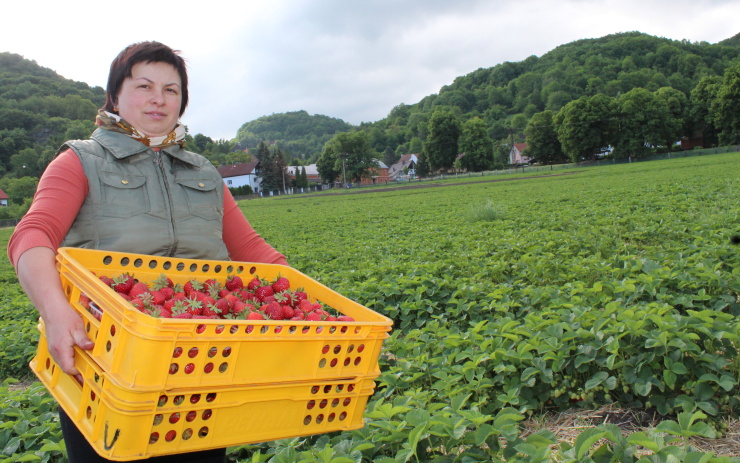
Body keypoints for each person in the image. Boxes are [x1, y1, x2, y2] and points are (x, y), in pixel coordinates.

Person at [7, 41, 287, 463]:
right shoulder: (80, 161)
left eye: (172, 90)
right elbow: (32, 236)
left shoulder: (204, 173)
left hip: (200, 359)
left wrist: (317, 303)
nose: (159, 98)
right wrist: (55, 310)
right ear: (115, 96)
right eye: (144, 86)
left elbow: (252, 250)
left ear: (182, 102)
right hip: (106, 360)